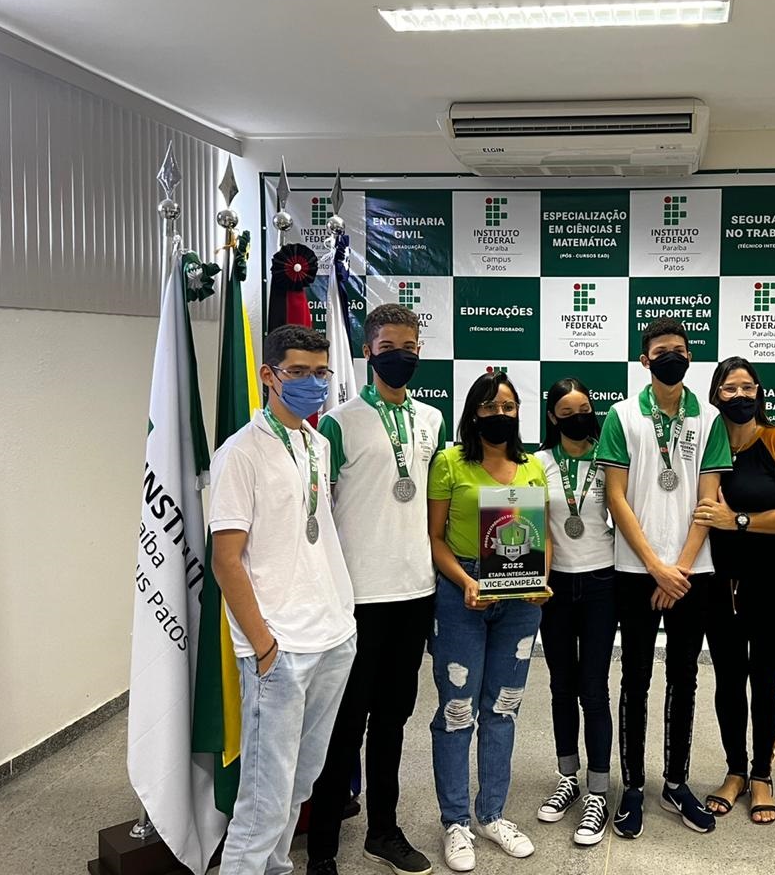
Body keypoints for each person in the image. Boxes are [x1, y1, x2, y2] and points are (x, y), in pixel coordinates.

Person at [209, 324, 357, 875]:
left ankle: (276, 869)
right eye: (298, 372)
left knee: (299, 782)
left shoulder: (317, 443)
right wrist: (264, 646)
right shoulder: (240, 453)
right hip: (279, 647)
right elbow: (226, 560)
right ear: (269, 375)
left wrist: (342, 620)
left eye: (321, 373)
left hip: (331, 635)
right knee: (263, 801)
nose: (312, 383)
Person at [307, 304, 447, 875]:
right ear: (368, 351)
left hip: (414, 592)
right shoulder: (338, 423)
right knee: (344, 727)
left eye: (410, 347)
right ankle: (322, 849)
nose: (401, 356)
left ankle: (383, 832)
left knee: (393, 720)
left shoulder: (432, 419)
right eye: (389, 347)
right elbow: (318, 511)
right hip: (358, 597)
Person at [597, 317, 733, 839]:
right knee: (635, 678)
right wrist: (656, 565)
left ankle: (675, 782)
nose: (671, 356)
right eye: (661, 350)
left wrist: (679, 568)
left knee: (684, 678)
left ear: (689, 356)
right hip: (636, 570)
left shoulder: (710, 418)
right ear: (645, 359)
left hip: (693, 571)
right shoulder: (623, 415)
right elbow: (616, 498)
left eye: (679, 348)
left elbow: (708, 501)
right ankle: (633, 786)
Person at [427, 372, 551, 872]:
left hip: (519, 601)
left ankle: (491, 814)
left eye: (508, 406)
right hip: (463, 593)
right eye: (489, 406)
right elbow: (435, 539)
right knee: (457, 710)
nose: (500, 414)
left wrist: (540, 581)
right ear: (473, 413)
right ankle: (455, 821)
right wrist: (464, 580)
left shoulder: (532, 467)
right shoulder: (450, 462)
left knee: (503, 709)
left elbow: (542, 538)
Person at [695, 356, 775, 825]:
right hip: (719, 583)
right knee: (728, 680)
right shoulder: (705, 446)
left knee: (766, 680)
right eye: (730, 388)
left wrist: (739, 520)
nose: (740, 396)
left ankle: (762, 774)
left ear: (759, 393)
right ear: (716, 395)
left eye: (748, 387)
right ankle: (735, 772)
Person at [533, 379, 615, 847]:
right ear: (553, 418)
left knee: (593, 688)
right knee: (561, 685)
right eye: (567, 412)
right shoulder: (539, 463)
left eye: (584, 407)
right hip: (556, 586)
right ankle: (568, 777)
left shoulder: (610, 458)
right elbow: (533, 525)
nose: (578, 416)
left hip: (603, 582)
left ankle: (598, 791)